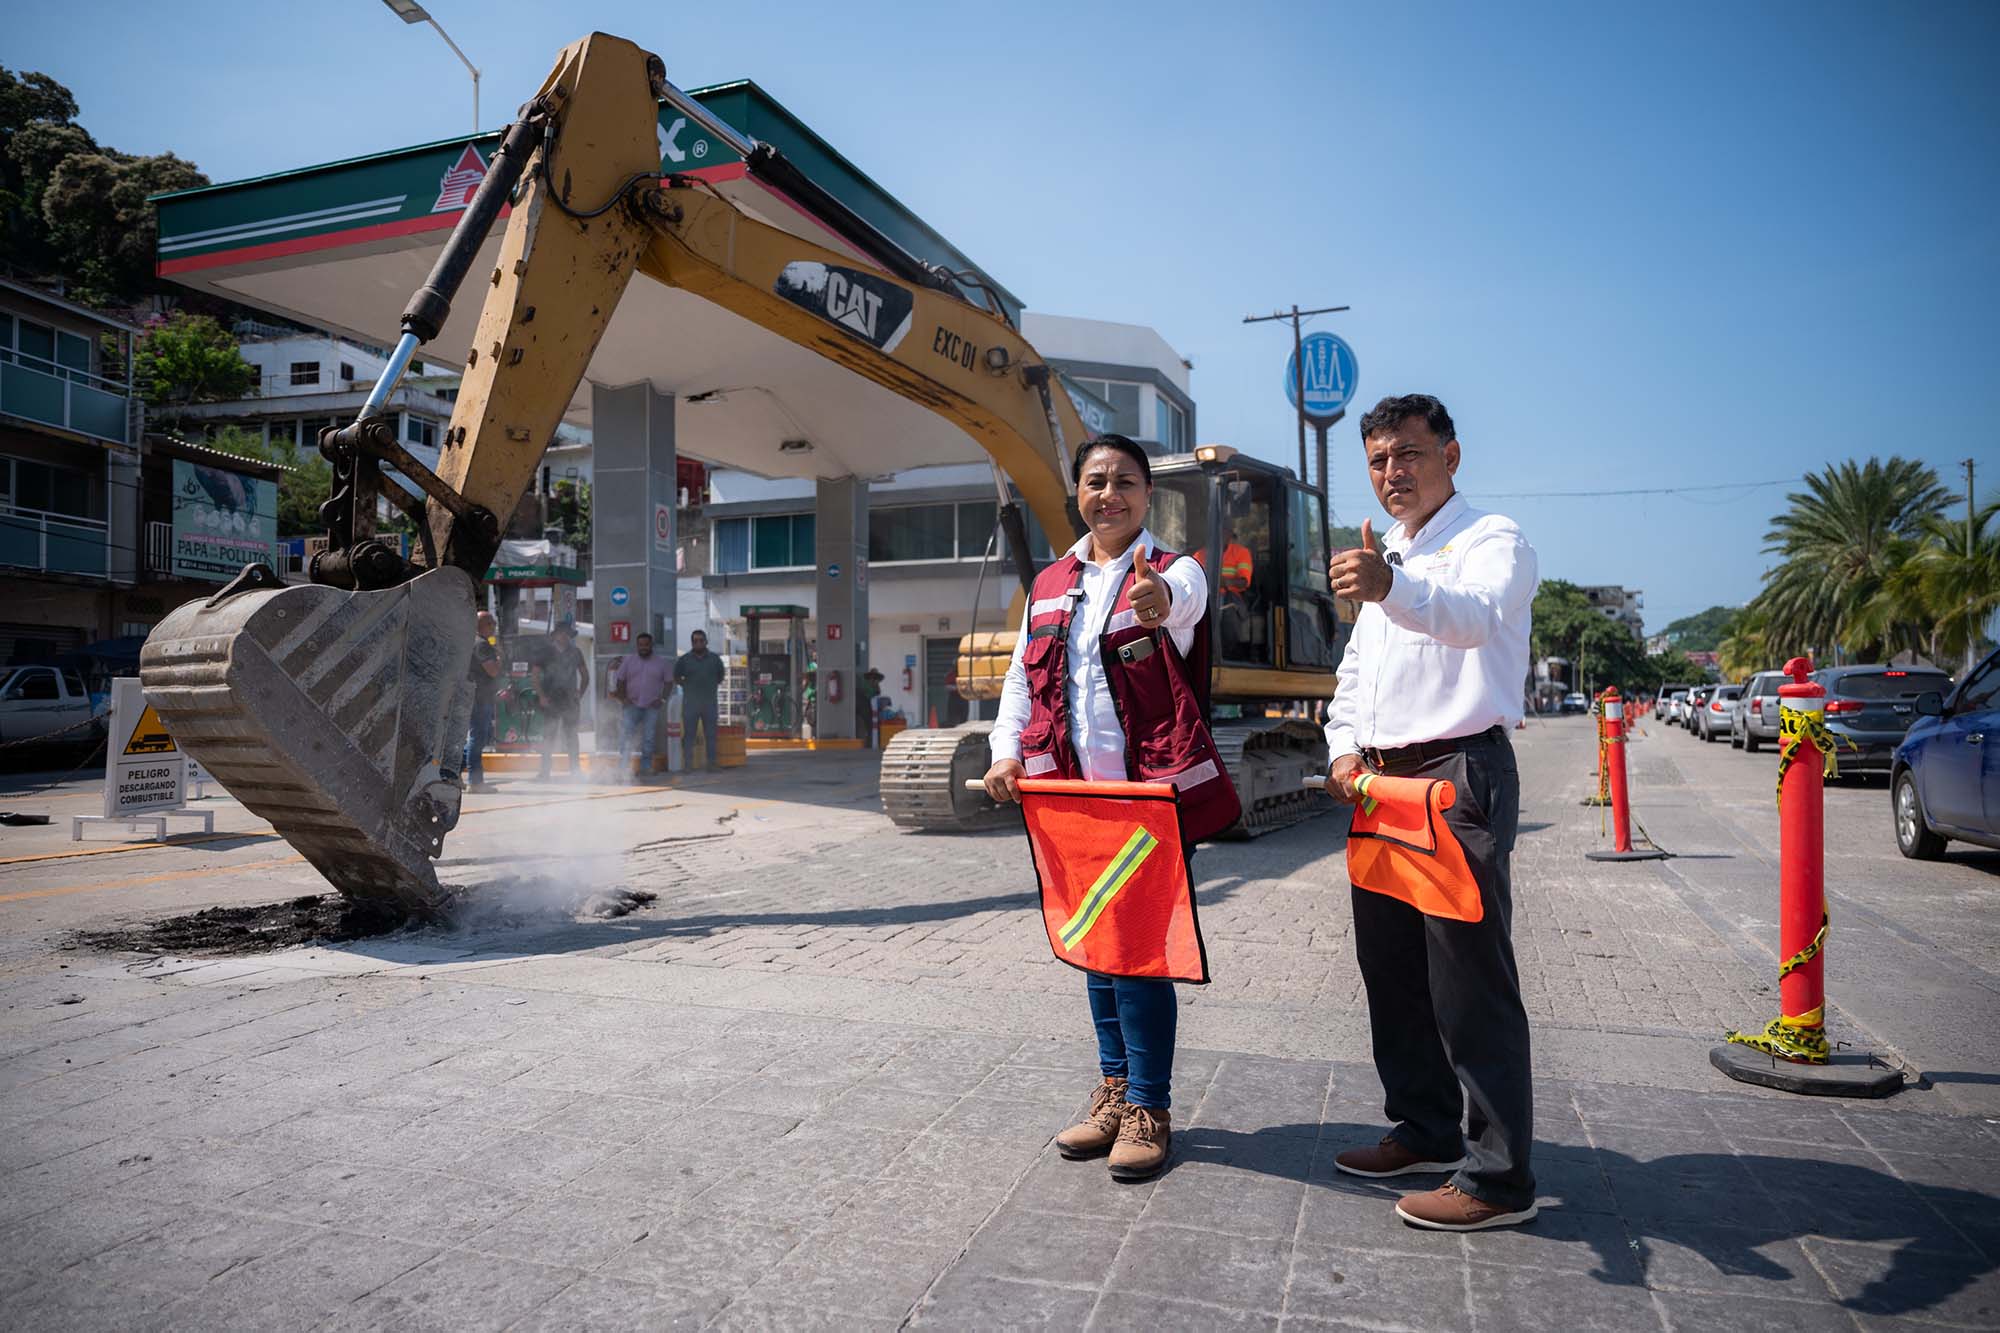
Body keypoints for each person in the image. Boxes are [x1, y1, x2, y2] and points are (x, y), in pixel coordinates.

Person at [984, 433, 1234, 1183]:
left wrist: (1159, 602)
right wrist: (1004, 750)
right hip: (1071, 801)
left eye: (1125, 481)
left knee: (1139, 954)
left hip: (1146, 803)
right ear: (1078, 493)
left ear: (1148, 494)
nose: (1109, 495)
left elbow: (1181, 602)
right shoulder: (1049, 582)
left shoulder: (1174, 572)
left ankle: (1149, 1106)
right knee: (1094, 946)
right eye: (1096, 481)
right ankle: (1115, 1091)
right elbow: (1020, 681)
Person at [1321, 394, 1540, 1232]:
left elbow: (1474, 619)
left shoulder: (1493, 540)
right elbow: (1356, 675)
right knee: (1394, 970)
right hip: (1382, 785)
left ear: (1451, 455)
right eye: (1378, 460)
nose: (1393, 472)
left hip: (1457, 774)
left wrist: (1392, 586)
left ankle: (1499, 1178)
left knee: (1469, 981)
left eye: (1409, 454)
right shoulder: (1390, 553)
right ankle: (1424, 1127)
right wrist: (1342, 749)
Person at [612, 632, 672, 778]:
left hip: (652, 706)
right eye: (640, 645)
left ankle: (646, 767)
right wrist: (623, 698)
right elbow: (620, 680)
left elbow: (669, 682)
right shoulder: (629, 661)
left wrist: (662, 699)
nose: (643, 647)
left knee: (649, 738)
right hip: (631, 705)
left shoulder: (661, 662)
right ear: (637, 646)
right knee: (626, 736)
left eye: (646, 645)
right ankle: (623, 768)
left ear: (651, 645)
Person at [534, 622, 588, 780]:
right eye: (561, 633)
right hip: (551, 699)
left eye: (567, 633)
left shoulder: (576, 652)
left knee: (571, 736)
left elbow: (585, 674)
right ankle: (544, 772)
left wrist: (580, 693)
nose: (564, 636)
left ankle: (575, 771)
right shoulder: (545, 652)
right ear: (555, 635)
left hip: (570, 700)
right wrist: (541, 696)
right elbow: (535, 675)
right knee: (548, 736)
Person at [674, 629, 726, 770]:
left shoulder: (714, 659)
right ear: (692, 643)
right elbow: (676, 676)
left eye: (701, 640)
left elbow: (720, 676)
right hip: (691, 704)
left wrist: (709, 686)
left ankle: (711, 764)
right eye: (695, 641)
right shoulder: (684, 660)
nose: (698, 643)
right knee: (689, 735)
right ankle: (688, 765)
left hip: (710, 703)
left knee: (711, 735)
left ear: (706, 642)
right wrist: (686, 685)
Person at [465, 611, 501, 789]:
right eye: (491, 623)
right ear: (482, 625)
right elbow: (492, 671)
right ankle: (475, 781)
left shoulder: (472, 641)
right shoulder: (481, 644)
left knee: (477, 738)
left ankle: (452, 775)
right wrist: (499, 658)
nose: (494, 626)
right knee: (477, 738)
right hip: (480, 698)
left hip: (475, 696)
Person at [858, 667, 884, 748]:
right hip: (863, 706)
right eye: (873, 677)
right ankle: (868, 743)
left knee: (872, 725)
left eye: (875, 677)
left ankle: (872, 742)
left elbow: (878, 692)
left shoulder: (875, 684)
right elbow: (869, 694)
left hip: (870, 707)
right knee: (868, 725)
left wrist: (876, 686)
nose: (874, 679)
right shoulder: (866, 684)